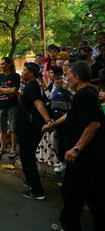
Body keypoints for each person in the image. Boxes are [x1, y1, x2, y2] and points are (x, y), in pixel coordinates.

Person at [43, 61, 105, 231]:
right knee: (94, 195)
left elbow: (94, 124)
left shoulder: (85, 95)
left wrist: (77, 148)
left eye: (68, 75)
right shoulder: (86, 93)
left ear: (77, 78)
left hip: (84, 157)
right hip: (90, 157)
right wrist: (53, 124)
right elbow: (73, 114)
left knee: (71, 195)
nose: (65, 78)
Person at [16, 62, 52, 200]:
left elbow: (38, 103)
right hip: (27, 127)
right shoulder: (33, 85)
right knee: (27, 156)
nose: (22, 72)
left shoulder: (32, 86)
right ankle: (31, 181)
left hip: (29, 129)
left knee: (27, 158)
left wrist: (48, 121)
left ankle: (37, 190)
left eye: (24, 70)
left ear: (31, 73)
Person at [0, 57, 20, 158]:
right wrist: (6, 90)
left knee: (13, 129)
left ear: (9, 64)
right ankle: (2, 147)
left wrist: (0, 88)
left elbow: (14, 91)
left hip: (12, 105)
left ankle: (13, 149)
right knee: (2, 129)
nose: (2, 66)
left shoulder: (15, 76)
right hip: (1, 106)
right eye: (1, 64)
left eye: (3, 64)